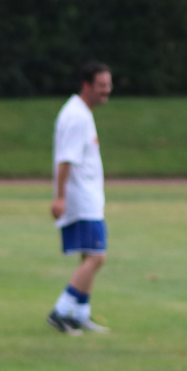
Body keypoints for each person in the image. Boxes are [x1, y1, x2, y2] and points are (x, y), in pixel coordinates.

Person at [47, 61, 114, 334]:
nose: (107, 90)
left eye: (108, 85)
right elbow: (66, 159)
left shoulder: (81, 112)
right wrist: (60, 196)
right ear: (86, 85)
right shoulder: (77, 116)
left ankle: (79, 313)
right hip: (82, 199)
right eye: (101, 85)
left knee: (89, 255)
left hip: (88, 197)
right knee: (97, 257)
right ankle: (61, 311)